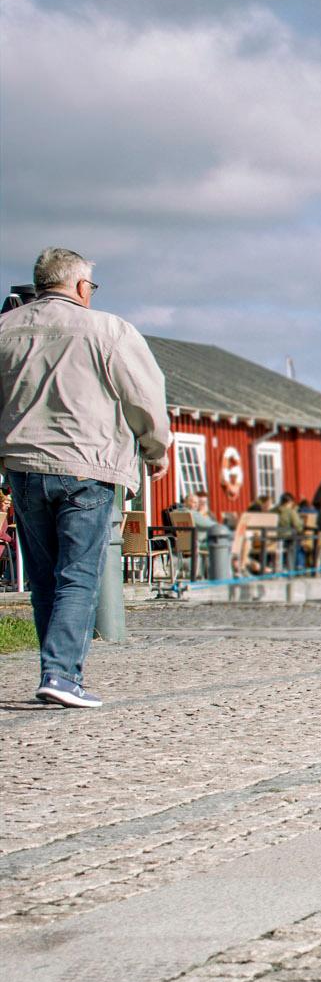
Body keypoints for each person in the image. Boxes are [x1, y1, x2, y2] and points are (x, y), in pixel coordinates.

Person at [0, 248, 170, 709]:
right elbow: (145, 396)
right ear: (80, 287)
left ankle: (53, 672)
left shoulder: (6, 330)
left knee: (43, 577)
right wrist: (155, 449)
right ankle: (61, 675)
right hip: (86, 466)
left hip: (24, 467)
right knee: (77, 575)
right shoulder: (109, 331)